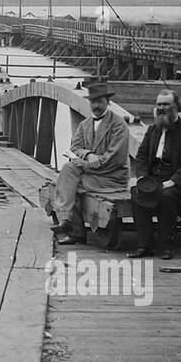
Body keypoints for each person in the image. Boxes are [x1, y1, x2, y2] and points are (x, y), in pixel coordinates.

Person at [49, 80, 130, 245]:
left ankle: (74, 230)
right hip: (92, 174)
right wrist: (88, 154)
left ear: (108, 102)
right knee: (68, 169)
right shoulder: (85, 124)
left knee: (71, 184)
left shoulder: (118, 125)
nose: (96, 106)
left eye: (100, 101)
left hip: (112, 177)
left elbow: (113, 158)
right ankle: (66, 220)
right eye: (93, 101)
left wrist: (85, 164)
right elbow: (75, 147)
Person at [129, 89, 181, 260]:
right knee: (136, 193)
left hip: (180, 182)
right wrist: (141, 177)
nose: (162, 108)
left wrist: (174, 181)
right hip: (153, 177)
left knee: (167, 196)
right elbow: (141, 157)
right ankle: (144, 245)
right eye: (159, 105)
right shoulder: (153, 130)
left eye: (166, 104)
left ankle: (166, 246)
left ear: (176, 107)